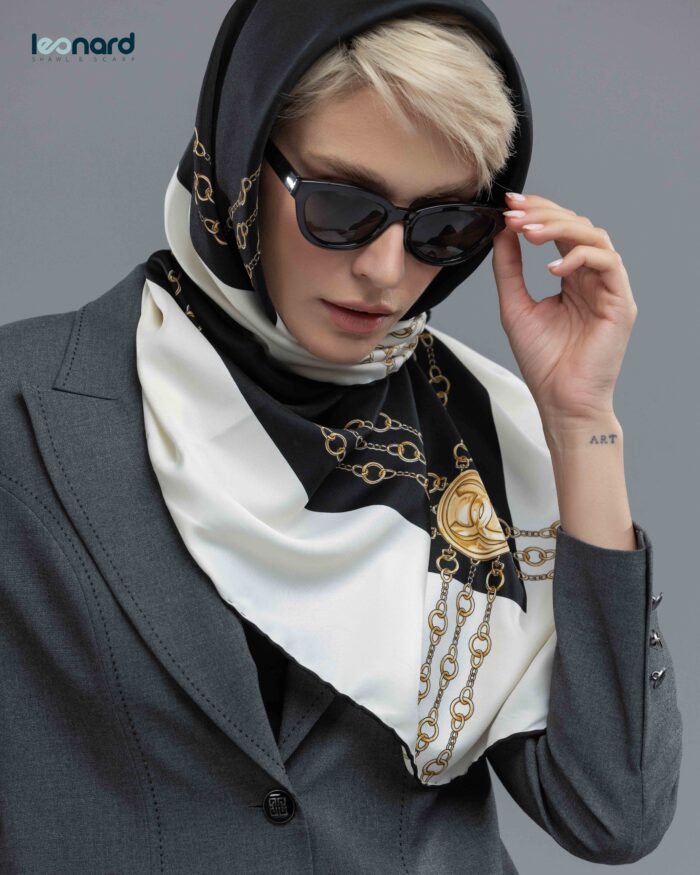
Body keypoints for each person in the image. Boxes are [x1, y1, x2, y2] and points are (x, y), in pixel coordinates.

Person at [0, 1, 682, 872]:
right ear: (242, 159)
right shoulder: (23, 410)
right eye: (339, 206)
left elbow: (614, 810)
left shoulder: (477, 439)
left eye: (442, 228)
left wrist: (582, 423)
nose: (385, 271)